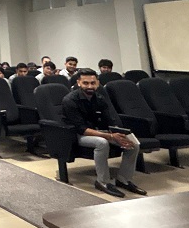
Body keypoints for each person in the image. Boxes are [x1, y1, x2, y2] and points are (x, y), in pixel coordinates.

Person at [60, 69, 145, 198]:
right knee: (102, 143)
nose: (89, 86)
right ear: (78, 83)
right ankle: (103, 182)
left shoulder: (99, 98)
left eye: (92, 83)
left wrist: (119, 134)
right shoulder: (69, 100)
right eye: (85, 83)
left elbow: (110, 120)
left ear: (98, 83)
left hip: (98, 131)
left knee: (133, 144)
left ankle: (124, 179)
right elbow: (81, 129)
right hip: (76, 134)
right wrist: (110, 136)